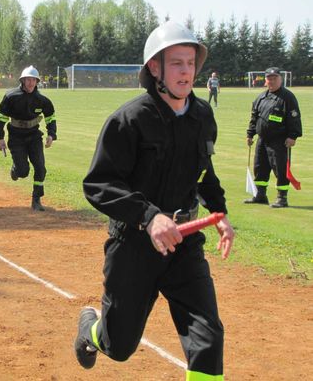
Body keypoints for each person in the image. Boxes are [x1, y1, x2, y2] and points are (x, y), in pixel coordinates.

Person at [73, 22, 235, 381]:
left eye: (191, 63)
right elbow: (98, 183)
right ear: (155, 69)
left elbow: (203, 171)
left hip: (185, 242)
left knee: (208, 340)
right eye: (176, 63)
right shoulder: (129, 120)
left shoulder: (202, 116)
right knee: (119, 346)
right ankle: (90, 330)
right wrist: (148, 217)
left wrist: (218, 211)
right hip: (135, 244)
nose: (186, 72)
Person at [0, 65, 57, 211]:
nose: (30, 83)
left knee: (40, 168)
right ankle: (16, 169)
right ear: (22, 81)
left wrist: (51, 134)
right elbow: (0, 118)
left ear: (37, 82)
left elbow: (51, 117)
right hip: (16, 137)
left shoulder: (43, 100)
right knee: (23, 171)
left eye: (33, 80)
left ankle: (36, 200)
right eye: (27, 79)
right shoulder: (11, 97)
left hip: (34, 136)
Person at [244, 67, 302, 208]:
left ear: (280, 79)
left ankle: (282, 198)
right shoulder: (261, 97)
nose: (271, 80)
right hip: (262, 140)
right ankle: (260, 195)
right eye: (269, 78)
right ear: (265, 80)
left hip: (280, 140)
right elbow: (254, 117)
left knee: (280, 168)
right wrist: (250, 134)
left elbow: (294, 117)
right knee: (260, 167)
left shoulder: (287, 97)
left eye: (274, 78)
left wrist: (292, 136)